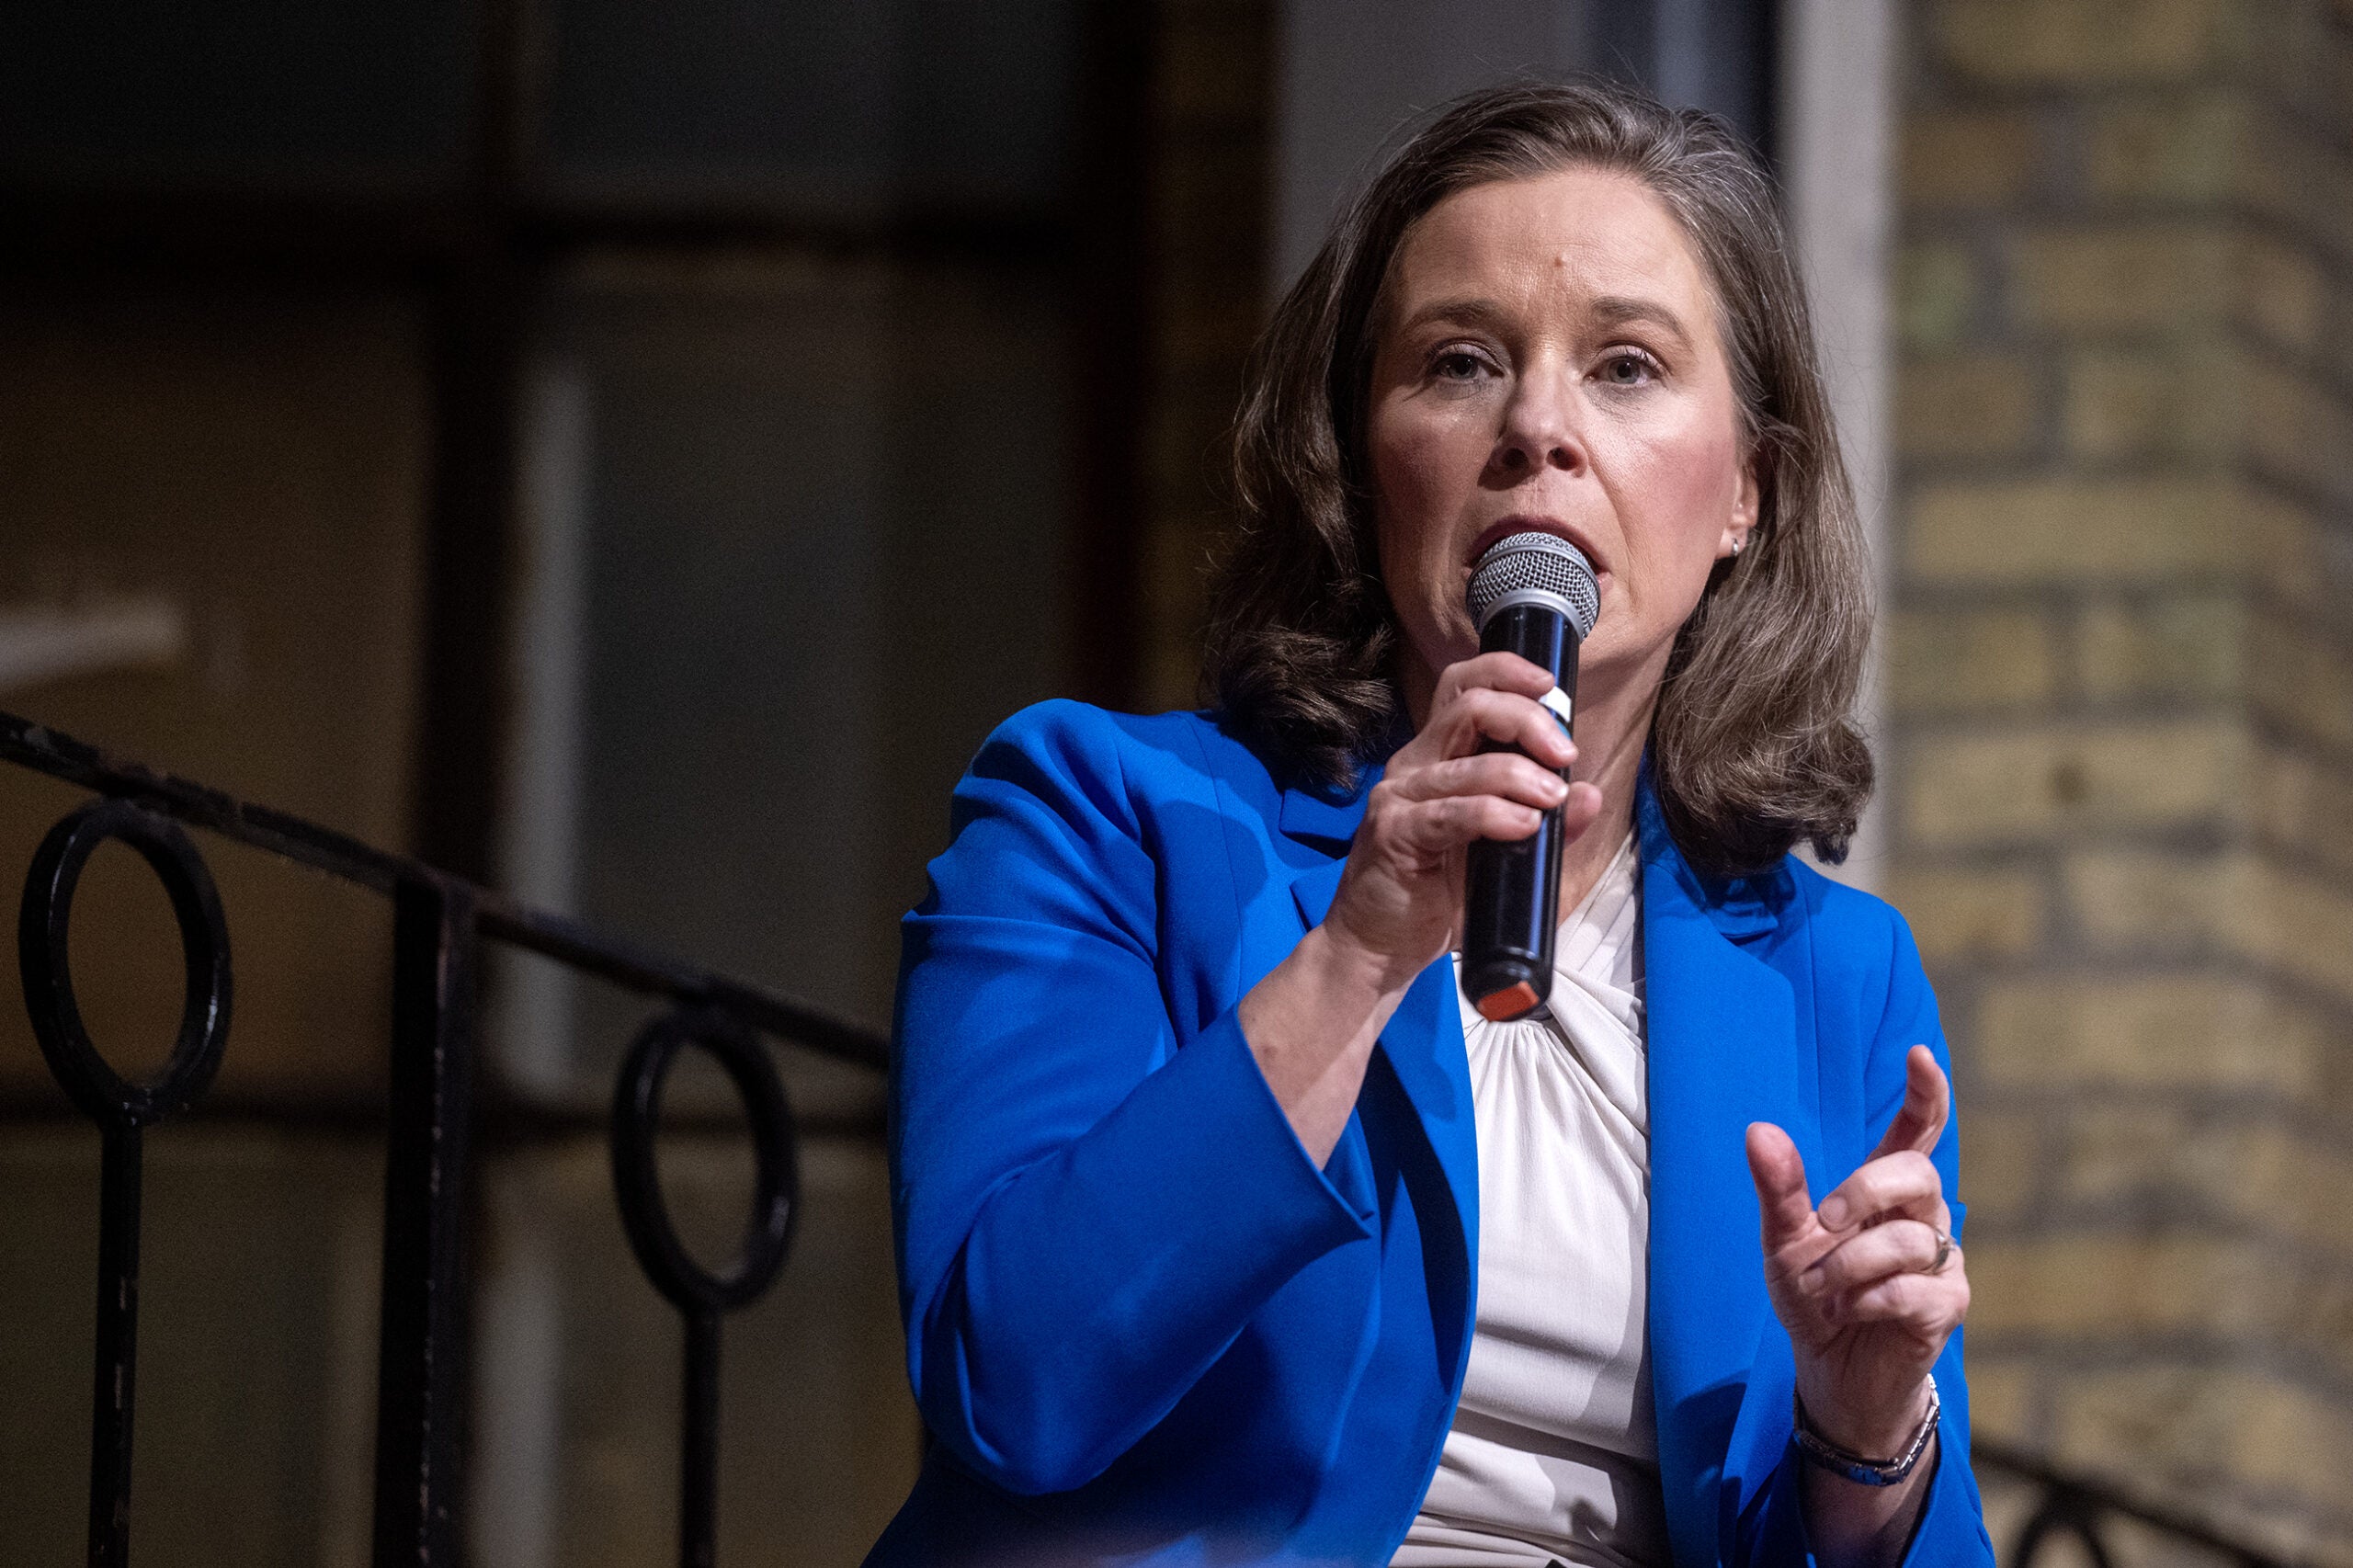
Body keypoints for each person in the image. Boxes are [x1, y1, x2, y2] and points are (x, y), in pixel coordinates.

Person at [867, 79, 1991, 1568]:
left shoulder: (1838, 976)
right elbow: (1012, 1380)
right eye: (1460, 363)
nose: (1538, 428)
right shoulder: (1102, 817)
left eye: (1628, 369)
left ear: (1747, 498)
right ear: (1362, 455)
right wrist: (1354, 959)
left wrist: (1866, 1437)